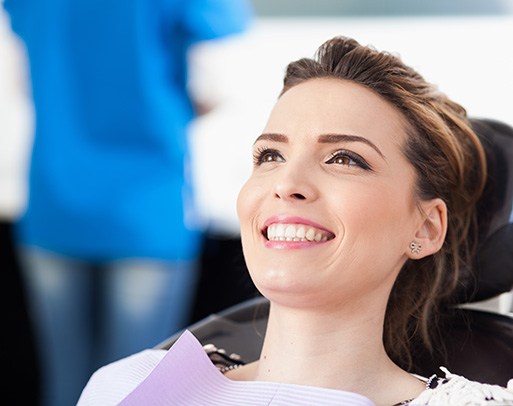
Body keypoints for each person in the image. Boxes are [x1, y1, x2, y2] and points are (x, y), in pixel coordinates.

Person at [77, 36, 513, 405]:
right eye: (271, 155)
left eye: (344, 158)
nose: (287, 183)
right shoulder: (125, 385)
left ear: (425, 227)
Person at [2, 1, 253, 406]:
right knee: (138, 390)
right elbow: (217, 88)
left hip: (55, 200)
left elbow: (24, 84)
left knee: (67, 383)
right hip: (148, 209)